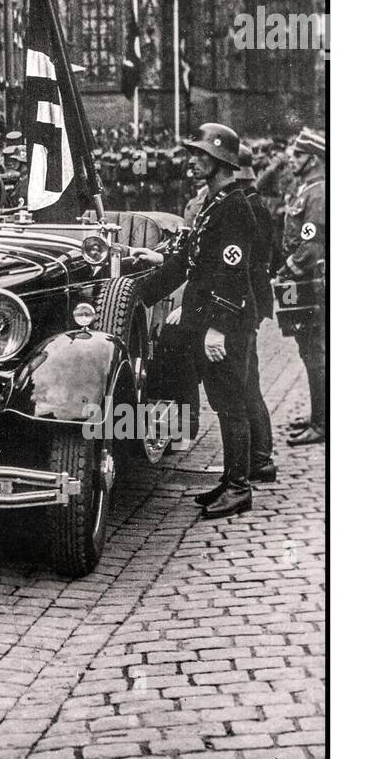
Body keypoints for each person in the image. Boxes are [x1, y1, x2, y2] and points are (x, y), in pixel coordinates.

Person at [132, 123, 257, 519]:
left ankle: (239, 487)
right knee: (222, 402)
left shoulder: (235, 207)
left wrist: (218, 328)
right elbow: (187, 261)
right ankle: (229, 480)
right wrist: (138, 295)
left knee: (231, 403)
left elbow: (231, 273)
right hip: (204, 319)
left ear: (221, 161)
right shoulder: (214, 203)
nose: (193, 161)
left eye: (201, 155)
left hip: (225, 321)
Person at [280, 127, 326, 444]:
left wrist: (286, 271)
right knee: (308, 350)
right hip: (306, 282)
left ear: (312, 159)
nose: (291, 158)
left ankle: (322, 424)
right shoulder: (308, 189)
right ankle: (318, 415)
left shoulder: (319, 193)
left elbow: (311, 247)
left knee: (316, 353)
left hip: (313, 283)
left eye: (297, 155)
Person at [235, 143, 277, 481]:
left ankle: (261, 458)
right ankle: (259, 457)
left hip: (247, 299)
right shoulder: (252, 201)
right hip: (251, 297)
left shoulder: (250, 205)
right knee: (249, 381)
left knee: (248, 384)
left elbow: (259, 258)